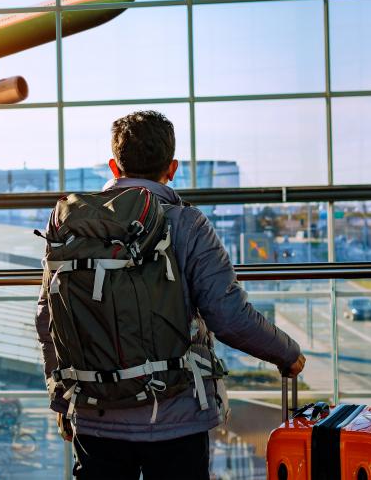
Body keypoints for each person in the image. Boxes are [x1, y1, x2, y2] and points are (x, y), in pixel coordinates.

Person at [35, 110, 306, 479]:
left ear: (114, 166)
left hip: (95, 414)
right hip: (175, 417)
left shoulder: (71, 224)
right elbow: (228, 316)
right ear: (173, 167)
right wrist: (287, 353)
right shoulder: (186, 223)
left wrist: (62, 400)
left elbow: (47, 318)